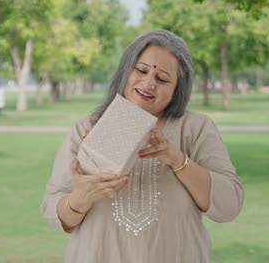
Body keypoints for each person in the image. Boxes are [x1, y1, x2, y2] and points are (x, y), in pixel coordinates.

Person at [40, 30, 244, 263]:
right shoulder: (87, 129)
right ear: (126, 70)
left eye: (162, 79)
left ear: (178, 88)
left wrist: (178, 160)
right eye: (141, 70)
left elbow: (229, 205)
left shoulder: (196, 129)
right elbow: (54, 211)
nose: (148, 83)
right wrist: (81, 197)